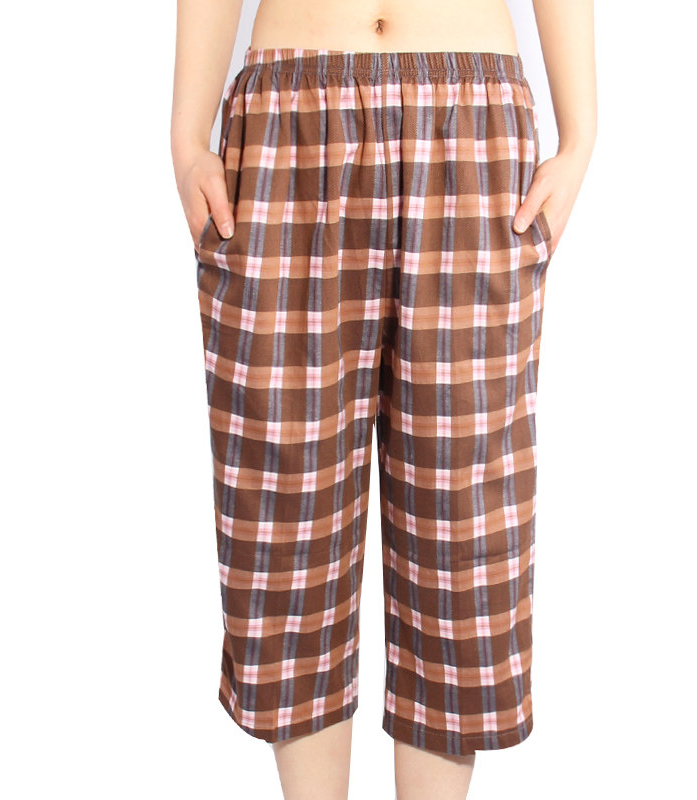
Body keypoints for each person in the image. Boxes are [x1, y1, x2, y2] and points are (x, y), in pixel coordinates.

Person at [171, 1, 596, 798]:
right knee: (286, 512)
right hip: (290, 113)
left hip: (470, 119)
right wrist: (186, 133)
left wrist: (582, 134)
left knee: (463, 522)